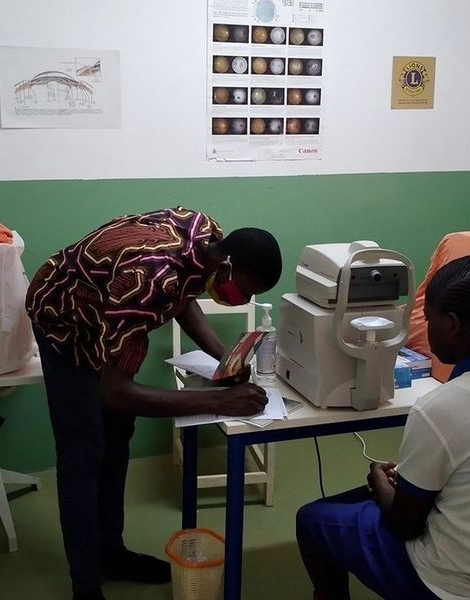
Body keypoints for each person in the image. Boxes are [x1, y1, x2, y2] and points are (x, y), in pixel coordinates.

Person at [25, 207, 282, 600]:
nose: (242, 299)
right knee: (83, 452)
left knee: (117, 435)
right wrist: (222, 401)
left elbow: (181, 297)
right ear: (228, 264)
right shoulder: (147, 280)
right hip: (64, 318)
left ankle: (111, 553)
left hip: (106, 308)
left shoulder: (204, 234)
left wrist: (225, 361)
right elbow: (116, 391)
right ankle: (86, 584)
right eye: (246, 290)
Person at [295, 254, 470, 600]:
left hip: (461, 589)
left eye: (429, 318)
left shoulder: (440, 407)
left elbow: (405, 525)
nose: (425, 328)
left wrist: (381, 483)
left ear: (454, 325)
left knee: (313, 519)